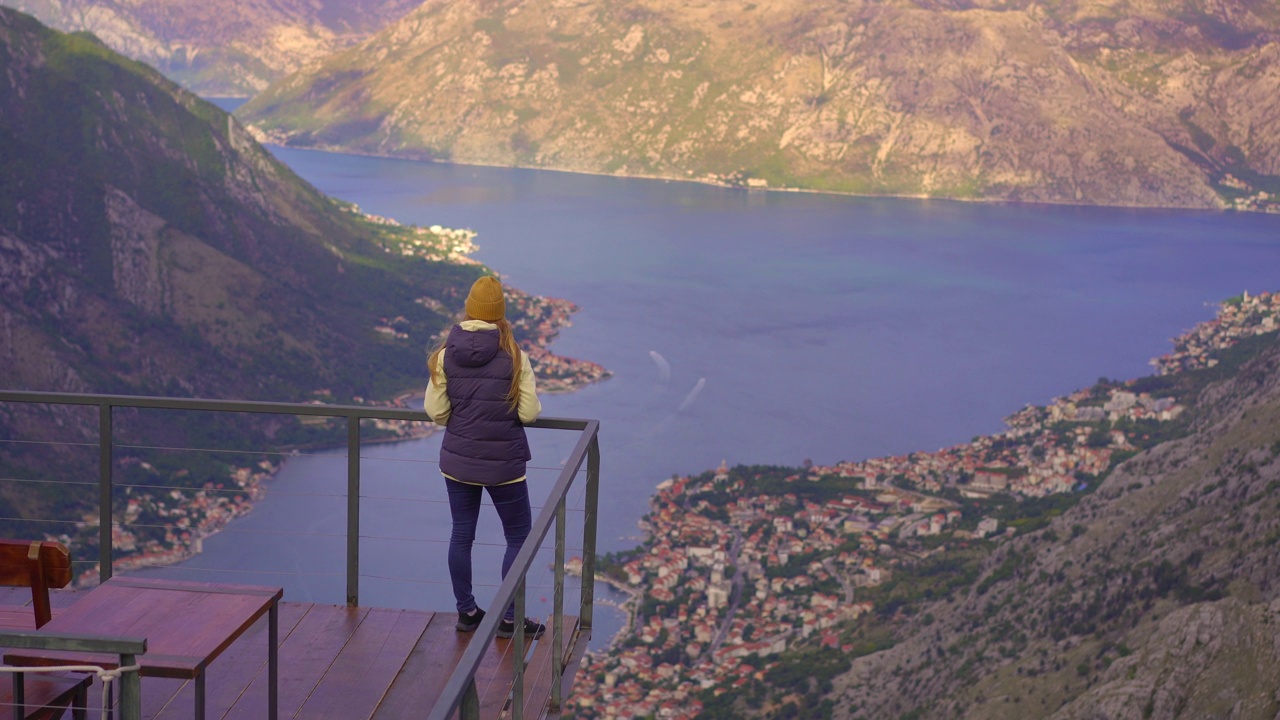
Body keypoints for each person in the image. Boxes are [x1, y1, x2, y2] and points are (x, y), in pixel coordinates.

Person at [425, 275, 546, 640]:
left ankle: (467, 612)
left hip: (458, 461)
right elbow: (528, 414)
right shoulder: (514, 356)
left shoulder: (446, 354)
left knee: (462, 534)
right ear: (500, 314)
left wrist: (462, 419)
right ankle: (510, 617)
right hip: (504, 464)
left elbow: (436, 411)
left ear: (469, 309)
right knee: (518, 537)